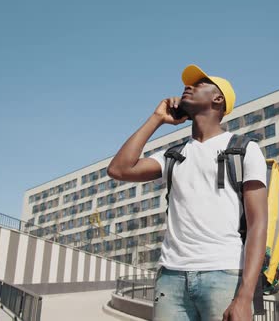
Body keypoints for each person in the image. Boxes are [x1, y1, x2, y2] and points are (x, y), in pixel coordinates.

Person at [107, 64, 268, 321]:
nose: (188, 87)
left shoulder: (244, 149)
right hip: (171, 278)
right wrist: (157, 118)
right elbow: (119, 169)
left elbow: (258, 223)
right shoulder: (173, 155)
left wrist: (245, 296)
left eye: (200, 83)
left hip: (224, 274)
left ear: (218, 99)